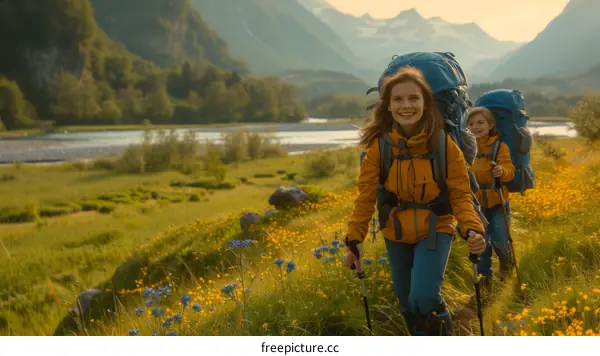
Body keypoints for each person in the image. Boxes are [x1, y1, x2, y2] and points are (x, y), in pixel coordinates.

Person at [343, 66, 486, 336]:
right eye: (398, 99)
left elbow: (460, 193)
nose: (405, 105)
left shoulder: (444, 145)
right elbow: (365, 198)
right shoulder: (379, 148)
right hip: (395, 231)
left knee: (423, 297)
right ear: (387, 106)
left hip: (436, 228)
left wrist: (472, 229)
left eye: (413, 98)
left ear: (425, 103)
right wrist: (353, 241)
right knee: (407, 304)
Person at [466, 106, 515, 288]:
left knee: (500, 241)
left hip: (497, 203)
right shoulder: (465, 147)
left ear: (490, 124)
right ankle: (484, 281)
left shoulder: (499, 146)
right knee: (481, 245)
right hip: (476, 206)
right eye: (471, 124)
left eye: (480, 122)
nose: (475, 127)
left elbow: (510, 171)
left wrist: (502, 171)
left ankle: (506, 266)